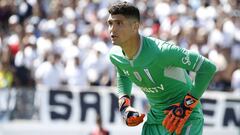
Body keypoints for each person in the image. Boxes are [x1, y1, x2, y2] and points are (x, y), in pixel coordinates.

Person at [107, 1, 217, 135]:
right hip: (155, 122)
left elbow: (208, 68)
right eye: (110, 23)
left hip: (185, 120)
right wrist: (125, 106)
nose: (112, 29)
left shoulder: (162, 51)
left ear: (135, 26)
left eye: (119, 23)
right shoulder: (115, 55)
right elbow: (123, 74)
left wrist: (185, 107)